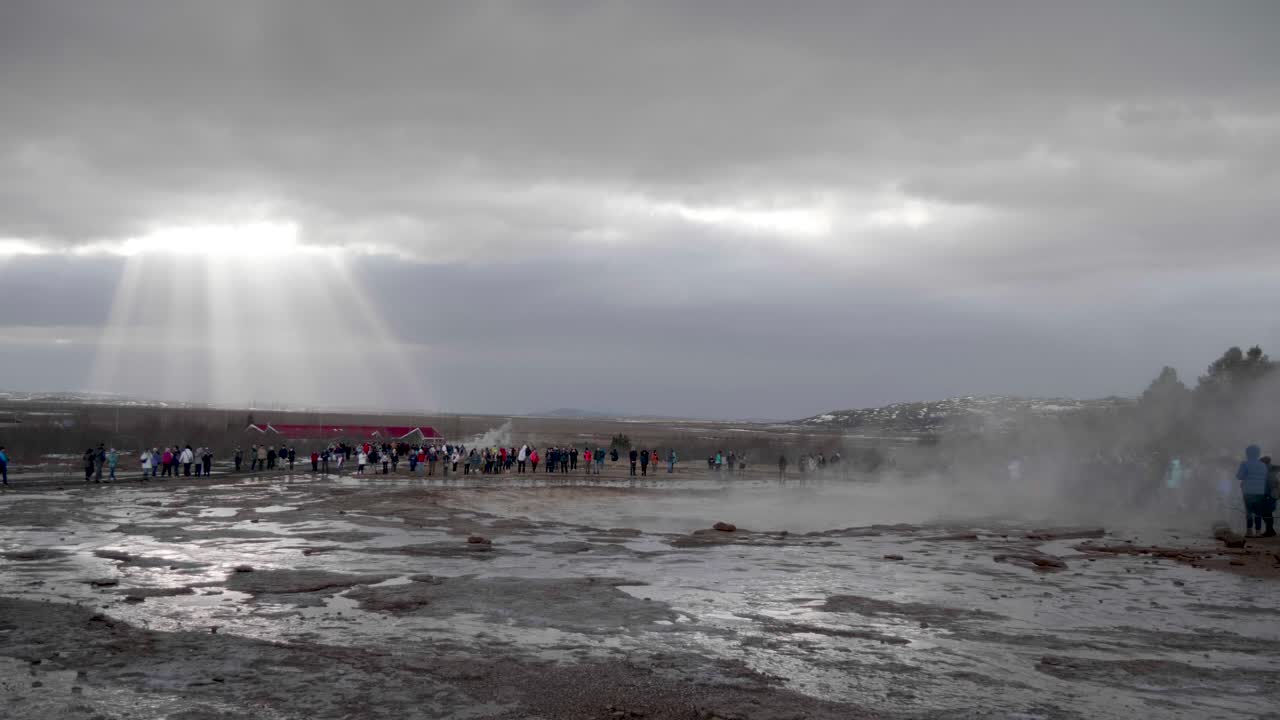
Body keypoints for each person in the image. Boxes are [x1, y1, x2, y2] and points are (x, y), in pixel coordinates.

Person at [1237, 445, 1270, 537]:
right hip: (1260, 491)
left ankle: (1249, 531)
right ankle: (1258, 532)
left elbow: (1239, 476)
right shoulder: (1263, 465)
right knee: (1258, 512)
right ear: (1258, 454)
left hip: (1248, 491)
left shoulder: (1245, 464)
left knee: (1249, 511)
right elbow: (1265, 477)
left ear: (1247, 453)